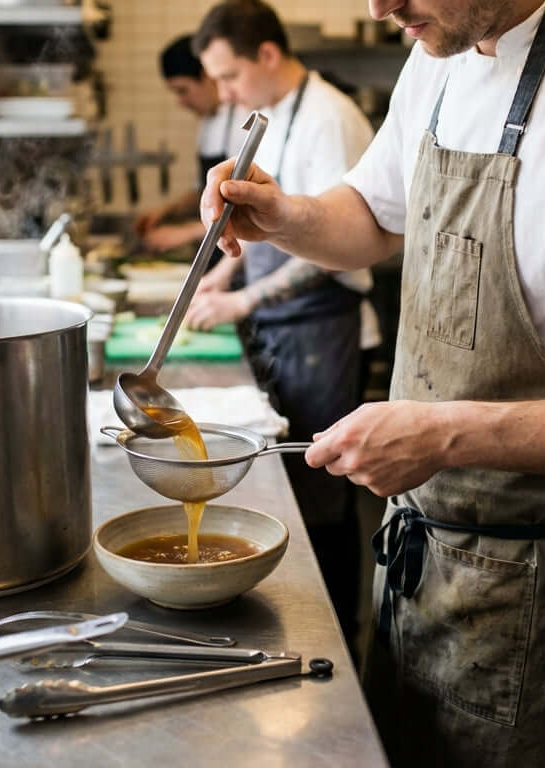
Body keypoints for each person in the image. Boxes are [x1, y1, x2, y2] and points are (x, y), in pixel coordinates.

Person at [198, 0, 545, 764]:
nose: (377, 6)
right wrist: (284, 214)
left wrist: (448, 434)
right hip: (422, 558)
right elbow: (373, 216)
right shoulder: (438, 57)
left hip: (542, 578)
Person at [183, 0, 377, 653]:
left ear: (268, 54)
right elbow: (271, 228)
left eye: (231, 75)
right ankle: (294, 618)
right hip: (281, 324)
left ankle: (336, 637)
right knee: (294, 487)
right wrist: (226, 276)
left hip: (322, 329)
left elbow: (335, 256)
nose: (224, 92)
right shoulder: (268, 115)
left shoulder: (331, 118)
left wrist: (241, 303)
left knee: (323, 490)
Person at [132, 35, 244, 253]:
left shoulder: (242, 122)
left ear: (208, 76)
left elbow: (245, 213)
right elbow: (203, 191)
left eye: (183, 90)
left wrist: (184, 233)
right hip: (214, 250)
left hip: (236, 252)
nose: (180, 102)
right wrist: (166, 212)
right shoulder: (207, 123)